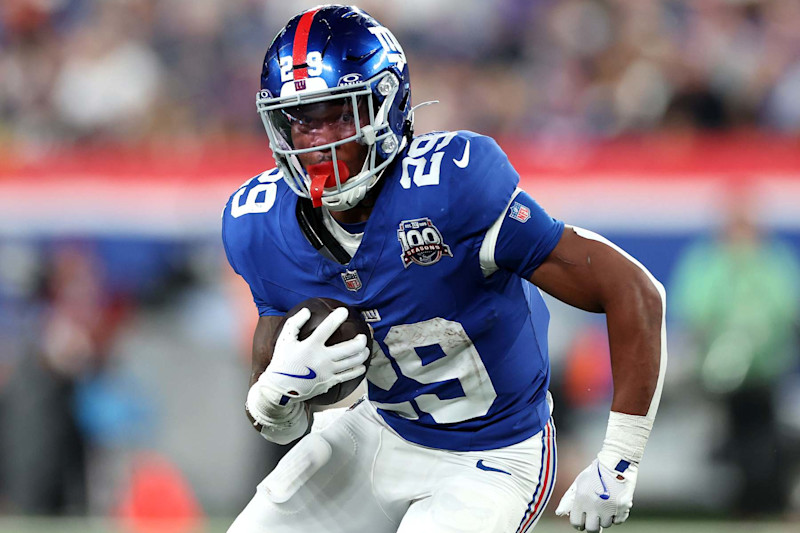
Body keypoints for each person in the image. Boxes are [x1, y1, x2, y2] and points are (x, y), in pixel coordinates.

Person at [222, 5, 667, 533]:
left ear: (386, 105)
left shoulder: (453, 188)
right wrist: (273, 399)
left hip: (496, 452)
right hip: (381, 429)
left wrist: (620, 459)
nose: (321, 142)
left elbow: (635, 291)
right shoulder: (258, 225)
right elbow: (278, 425)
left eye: (340, 114)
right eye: (303, 122)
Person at [670, 189, 800, 516]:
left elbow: (787, 309)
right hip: (716, 378)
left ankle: (766, 499)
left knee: (764, 436)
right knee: (731, 439)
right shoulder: (708, 262)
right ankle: (739, 499)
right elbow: (694, 312)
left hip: (764, 373)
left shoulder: (774, 262)